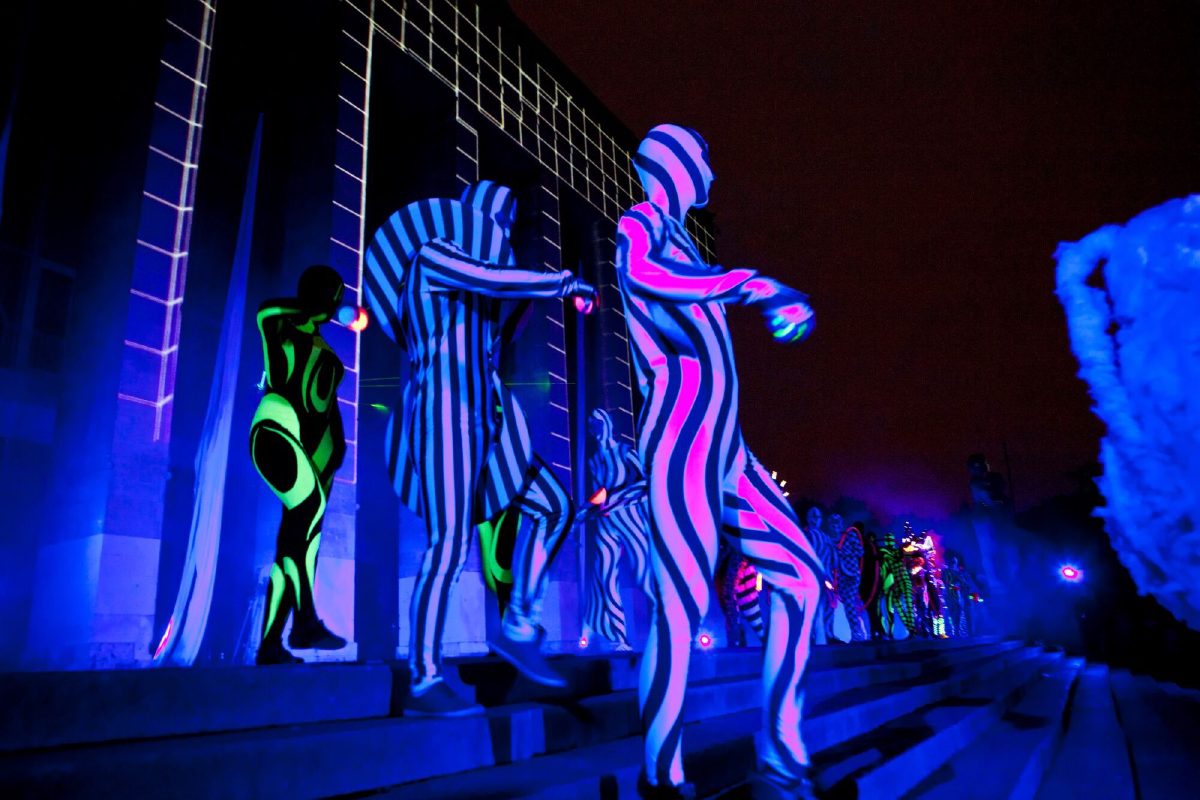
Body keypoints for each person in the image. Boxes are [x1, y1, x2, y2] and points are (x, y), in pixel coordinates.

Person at [615, 123, 824, 800]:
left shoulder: (687, 245)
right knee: (680, 602)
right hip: (682, 432)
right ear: (674, 163)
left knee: (801, 578)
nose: (712, 171)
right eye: (703, 157)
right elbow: (643, 274)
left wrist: (748, 290)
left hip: (728, 444)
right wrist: (750, 284)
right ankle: (661, 775)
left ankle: (782, 751)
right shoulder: (641, 224)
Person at [364, 181, 595, 715]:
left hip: (486, 422)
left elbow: (495, 311)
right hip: (441, 413)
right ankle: (423, 678)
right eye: (500, 221)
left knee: (555, 505)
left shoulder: (482, 301)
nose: (504, 234)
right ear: (474, 215)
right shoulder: (434, 256)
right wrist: (561, 283)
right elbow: (490, 275)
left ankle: (519, 625)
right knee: (449, 544)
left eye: (509, 226)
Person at [250, 265, 349, 665]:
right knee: (305, 517)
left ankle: (271, 644)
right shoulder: (282, 327)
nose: (336, 304)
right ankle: (305, 621)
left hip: (310, 451)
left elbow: (326, 408)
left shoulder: (321, 343)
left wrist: (334, 451)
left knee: (300, 545)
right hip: (276, 428)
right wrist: (310, 306)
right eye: (333, 295)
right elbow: (266, 311)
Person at [582, 408, 652, 650]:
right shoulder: (594, 461)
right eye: (591, 425)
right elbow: (601, 493)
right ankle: (620, 638)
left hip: (629, 518)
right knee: (605, 577)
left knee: (644, 575)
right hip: (605, 522)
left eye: (597, 423)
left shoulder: (625, 452)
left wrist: (620, 498)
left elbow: (646, 483)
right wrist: (585, 509)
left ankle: (673, 625)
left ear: (607, 424)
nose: (594, 429)